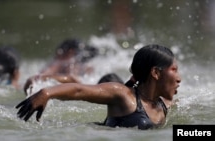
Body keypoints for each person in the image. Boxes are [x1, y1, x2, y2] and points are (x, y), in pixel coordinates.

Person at [15, 44, 181, 130]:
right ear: (156, 73)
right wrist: (46, 93)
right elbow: (80, 89)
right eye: (174, 70)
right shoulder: (123, 95)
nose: (179, 78)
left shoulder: (164, 105)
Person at [23, 38, 99, 96]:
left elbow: (38, 77)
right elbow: (38, 77)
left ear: (70, 51)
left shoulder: (61, 62)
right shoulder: (61, 63)